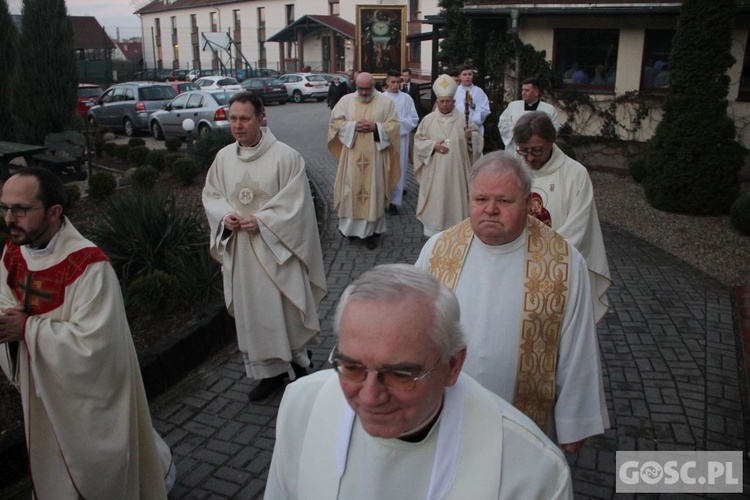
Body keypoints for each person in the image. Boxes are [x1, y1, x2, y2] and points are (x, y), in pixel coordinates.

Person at [265, 264, 573, 499]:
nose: (370, 397)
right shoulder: (302, 406)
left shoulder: (532, 470)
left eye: (400, 375)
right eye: (352, 367)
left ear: (452, 365)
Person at [415, 152, 609, 452]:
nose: (490, 210)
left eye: (504, 201)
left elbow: (577, 344)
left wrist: (575, 420)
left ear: (529, 201)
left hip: (521, 423)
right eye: (481, 199)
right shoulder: (439, 249)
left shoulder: (563, 261)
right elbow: (412, 324)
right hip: (444, 413)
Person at [0, 167, 174, 498]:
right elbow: (3, 299)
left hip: (87, 399)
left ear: (54, 212)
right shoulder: (12, 252)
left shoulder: (89, 265)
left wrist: (27, 329)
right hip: (43, 390)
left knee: (97, 470)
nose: (10, 218)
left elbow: (97, 346)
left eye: (20, 209)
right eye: (5, 208)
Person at [203, 91, 327, 401]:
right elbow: (212, 196)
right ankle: (269, 374)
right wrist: (224, 218)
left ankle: (299, 366)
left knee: (283, 310)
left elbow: (296, 205)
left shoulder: (286, 157)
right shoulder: (223, 159)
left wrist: (264, 222)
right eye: (233, 119)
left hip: (277, 252)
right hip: (242, 255)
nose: (238, 125)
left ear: (261, 118)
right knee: (254, 316)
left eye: (245, 118)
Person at [513, 111, 611, 322]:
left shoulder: (575, 174)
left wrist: (541, 256)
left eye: (537, 151)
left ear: (552, 141)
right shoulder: (512, 169)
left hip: (559, 269)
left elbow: (579, 226)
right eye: (524, 151)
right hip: (515, 266)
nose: (529, 158)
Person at [328, 72, 401, 250]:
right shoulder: (346, 101)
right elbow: (334, 122)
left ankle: (371, 233)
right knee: (350, 191)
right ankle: (350, 230)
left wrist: (376, 127)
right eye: (360, 88)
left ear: (373, 86)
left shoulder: (386, 102)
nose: (363, 92)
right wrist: (352, 126)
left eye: (367, 89)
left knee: (374, 192)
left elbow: (395, 126)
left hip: (375, 158)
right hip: (351, 157)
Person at [413, 74, 483, 237]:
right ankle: (434, 234)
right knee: (436, 205)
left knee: (457, 206)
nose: (445, 104)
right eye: (442, 101)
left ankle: (458, 233)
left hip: (457, 173)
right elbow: (418, 142)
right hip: (435, 174)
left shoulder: (464, 120)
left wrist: (470, 138)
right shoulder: (428, 121)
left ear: (453, 101)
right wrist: (433, 145)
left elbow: (477, 142)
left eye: (448, 101)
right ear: (437, 102)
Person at [382, 69, 419, 215]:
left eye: (398, 82)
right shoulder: (381, 98)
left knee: (399, 169)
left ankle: (394, 202)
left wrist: (396, 124)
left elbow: (414, 119)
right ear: (387, 82)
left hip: (401, 140)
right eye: (393, 82)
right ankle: (383, 198)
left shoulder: (407, 99)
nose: (396, 85)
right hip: (384, 140)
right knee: (385, 169)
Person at [497, 77, 561, 152]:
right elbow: (503, 123)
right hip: (514, 148)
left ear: (536, 92)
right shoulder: (513, 106)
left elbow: (554, 128)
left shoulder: (548, 109)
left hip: (537, 150)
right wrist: (517, 133)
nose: (523, 93)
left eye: (527, 90)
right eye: (522, 90)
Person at [452, 64, 491, 136]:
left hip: (475, 128)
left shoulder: (479, 91)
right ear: (460, 76)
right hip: (458, 128)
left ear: (473, 76)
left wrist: (473, 106)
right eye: (464, 74)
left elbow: (486, 111)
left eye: (470, 74)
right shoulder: (454, 91)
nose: (467, 77)